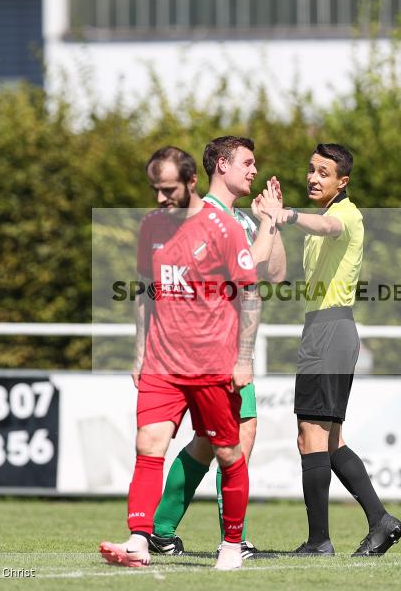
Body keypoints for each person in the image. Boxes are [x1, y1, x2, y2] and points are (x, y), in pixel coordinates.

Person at [99, 146, 260, 571]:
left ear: (191, 183)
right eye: (154, 189)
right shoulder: (151, 225)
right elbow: (144, 289)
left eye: (168, 189)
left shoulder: (222, 228)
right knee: (148, 445)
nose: (159, 198)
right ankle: (138, 539)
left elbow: (251, 291)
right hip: (162, 364)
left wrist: (244, 358)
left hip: (212, 365)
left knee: (227, 453)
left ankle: (231, 544)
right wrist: (139, 352)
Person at [263, 143, 401, 556]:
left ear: (342, 182)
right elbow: (277, 272)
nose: (313, 177)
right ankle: (381, 521)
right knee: (327, 440)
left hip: (331, 330)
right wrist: (270, 224)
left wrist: (288, 215)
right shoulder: (317, 220)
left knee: (311, 436)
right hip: (321, 331)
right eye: (310, 170)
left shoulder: (346, 214)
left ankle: (319, 541)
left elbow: (329, 229)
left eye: (323, 173)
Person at [148, 136, 285, 560]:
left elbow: (274, 273)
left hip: (220, 346)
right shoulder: (208, 215)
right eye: (247, 162)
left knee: (208, 444)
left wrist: (272, 221)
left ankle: (160, 530)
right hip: (213, 348)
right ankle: (234, 540)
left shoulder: (239, 218)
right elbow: (247, 264)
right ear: (221, 165)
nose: (254, 170)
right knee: (236, 438)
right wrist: (266, 225)